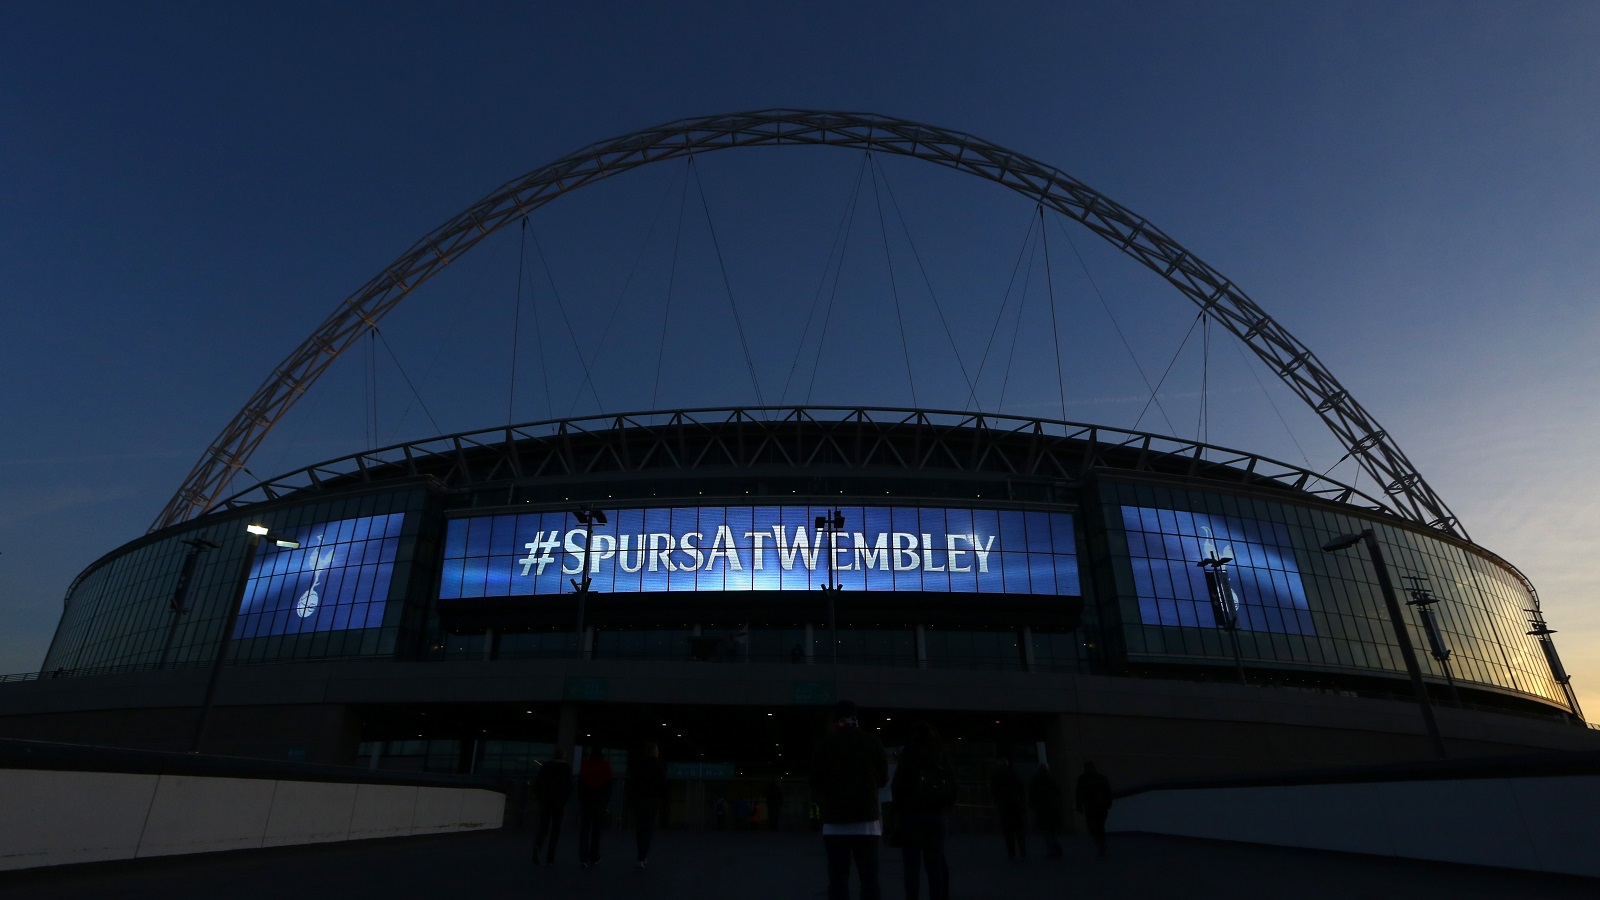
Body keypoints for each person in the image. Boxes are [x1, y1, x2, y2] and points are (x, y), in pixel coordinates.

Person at [810, 700, 889, 900]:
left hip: (835, 823)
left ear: (835, 720)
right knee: (869, 879)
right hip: (867, 823)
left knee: (838, 880)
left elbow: (815, 783)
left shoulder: (824, 745)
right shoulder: (872, 742)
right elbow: (883, 779)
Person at [889, 722, 956, 900]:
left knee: (911, 867)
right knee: (935, 864)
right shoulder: (939, 754)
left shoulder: (908, 753)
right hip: (935, 815)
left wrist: (899, 809)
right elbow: (951, 784)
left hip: (911, 817)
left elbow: (897, 786)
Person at [530, 747, 573, 865]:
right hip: (559, 802)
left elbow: (538, 784)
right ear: (563, 755)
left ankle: (538, 846)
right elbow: (569, 786)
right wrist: (564, 800)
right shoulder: (566, 767)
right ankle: (550, 858)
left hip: (545, 801)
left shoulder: (545, 766)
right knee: (555, 830)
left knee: (543, 828)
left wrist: (540, 798)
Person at [627, 741, 666, 868]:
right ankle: (643, 856)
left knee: (640, 829)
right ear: (654, 751)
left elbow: (633, 782)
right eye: (657, 749)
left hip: (639, 800)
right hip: (652, 801)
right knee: (648, 829)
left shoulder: (639, 765)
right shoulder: (658, 766)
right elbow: (662, 785)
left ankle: (640, 855)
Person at [576, 746, 614, 868]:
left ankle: (583, 858)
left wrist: (582, 799)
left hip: (587, 801)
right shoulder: (605, 766)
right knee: (596, 831)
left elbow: (581, 784)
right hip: (600, 802)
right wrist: (605, 801)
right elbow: (609, 785)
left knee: (585, 830)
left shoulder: (586, 765)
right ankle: (594, 856)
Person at [989, 758, 1026, 860]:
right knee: (1019, 828)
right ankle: (1022, 848)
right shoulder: (1014, 774)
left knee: (1008, 830)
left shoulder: (997, 776)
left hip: (1004, 805)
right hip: (1015, 804)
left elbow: (993, 790)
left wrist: (996, 801)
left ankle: (1011, 851)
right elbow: (1021, 788)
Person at [1075, 761, 1113, 857]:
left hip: (1090, 807)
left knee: (1092, 827)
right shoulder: (1102, 778)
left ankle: (1099, 844)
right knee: (1100, 826)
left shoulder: (1083, 779)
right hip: (1102, 807)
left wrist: (1079, 806)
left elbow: (1079, 793)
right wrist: (1109, 803)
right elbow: (1108, 791)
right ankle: (1102, 843)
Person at [1029, 762, 1064, 859]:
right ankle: (1056, 843)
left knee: (1046, 830)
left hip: (1042, 808)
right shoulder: (1052, 778)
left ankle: (1051, 849)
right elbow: (1058, 791)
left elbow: (1033, 794)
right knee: (1053, 829)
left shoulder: (1036, 780)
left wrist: (1034, 805)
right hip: (1053, 807)